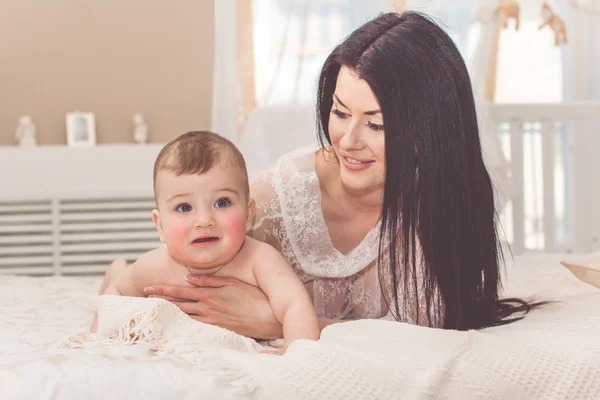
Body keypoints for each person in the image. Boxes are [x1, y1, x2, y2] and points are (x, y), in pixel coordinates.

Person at [141, 11, 544, 338]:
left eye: (377, 124)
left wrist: (276, 321)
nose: (347, 141)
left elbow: (429, 336)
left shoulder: (444, 209)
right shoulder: (280, 199)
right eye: (339, 112)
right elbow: (175, 270)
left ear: (431, 131)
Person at [93, 131, 320, 354]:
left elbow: (295, 305)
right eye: (184, 207)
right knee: (120, 278)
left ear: (249, 215)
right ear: (160, 226)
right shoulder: (155, 266)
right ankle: (116, 269)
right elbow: (114, 298)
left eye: (222, 202)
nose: (204, 221)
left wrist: (295, 350)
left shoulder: (260, 260)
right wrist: (96, 338)